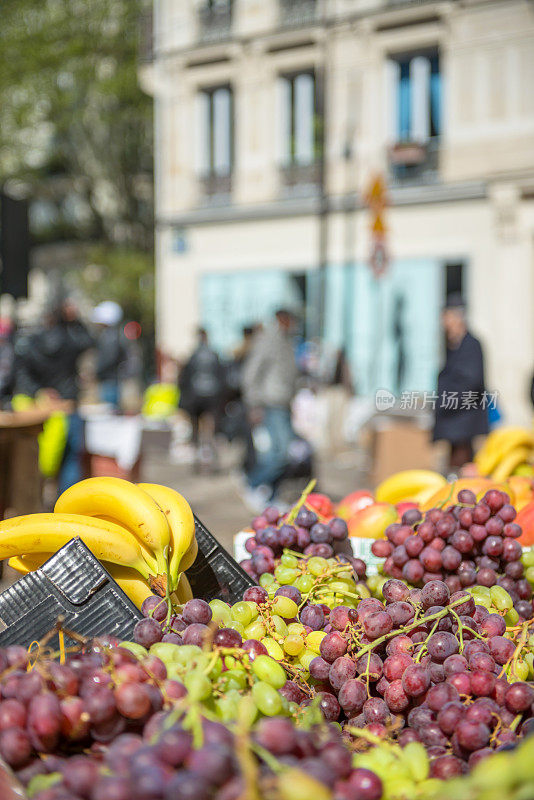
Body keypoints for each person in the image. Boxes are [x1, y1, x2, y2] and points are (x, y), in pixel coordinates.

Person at [14, 299, 93, 493]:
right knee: (70, 457)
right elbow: (90, 341)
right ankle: (66, 504)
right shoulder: (71, 339)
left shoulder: (32, 342)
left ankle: (37, 500)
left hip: (41, 405)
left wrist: (39, 391)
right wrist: (75, 320)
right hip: (66, 404)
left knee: (35, 458)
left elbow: (22, 374)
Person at [241, 308, 298, 508]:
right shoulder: (268, 340)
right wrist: (253, 404)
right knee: (280, 453)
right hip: (270, 403)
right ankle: (253, 483)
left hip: (282, 404)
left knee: (282, 452)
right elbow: (251, 372)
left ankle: (270, 495)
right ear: (282, 319)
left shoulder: (285, 340)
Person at [433, 294, 488, 473]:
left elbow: (471, 382)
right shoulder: (452, 345)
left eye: (447, 317)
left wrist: (446, 401)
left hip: (464, 421)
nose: (444, 322)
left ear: (458, 318)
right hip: (454, 422)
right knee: (453, 467)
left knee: (463, 468)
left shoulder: (472, 345)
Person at [178, 328, 225, 470]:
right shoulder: (214, 354)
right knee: (210, 429)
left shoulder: (193, 355)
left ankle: (199, 458)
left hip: (195, 397)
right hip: (212, 396)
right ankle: (210, 457)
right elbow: (221, 375)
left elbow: (185, 377)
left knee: (196, 430)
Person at [91, 301, 127, 409]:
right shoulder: (113, 334)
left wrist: (96, 372)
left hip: (109, 380)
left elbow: (107, 359)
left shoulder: (110, 337)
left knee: (109, 411)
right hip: (110, 380)